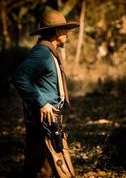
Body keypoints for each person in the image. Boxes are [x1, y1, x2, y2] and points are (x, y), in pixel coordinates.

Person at [13, 9, 79, 178]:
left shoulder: (48, 52)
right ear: (57, 32)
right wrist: (41, 102)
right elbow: (19, 77)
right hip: (41, 117)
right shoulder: (42, 53)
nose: (67, 34)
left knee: (42, 165)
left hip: (47, 117)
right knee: (40, 166)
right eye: (64, 30)